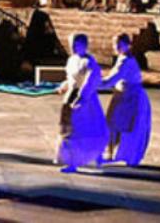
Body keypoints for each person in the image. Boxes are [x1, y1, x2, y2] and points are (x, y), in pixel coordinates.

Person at [56, 33, 109, 173]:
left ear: (84, 45)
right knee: (69, 131)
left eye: (76, 45)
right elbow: (72, 78)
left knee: (82, 130)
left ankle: (89, 157)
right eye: (71, 44)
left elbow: (89, 82)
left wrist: (81, 98)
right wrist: (65, 85)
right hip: (71, 97)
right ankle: (71, 161)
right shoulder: (72, 60)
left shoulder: (89, 62)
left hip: (85, 100)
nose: (73, 47)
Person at [101, 33, 151, 166]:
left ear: (127, 45)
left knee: (121, 126)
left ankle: (120, 154)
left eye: (119, 44)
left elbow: (112, 79)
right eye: (114, 44)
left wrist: (91, 84)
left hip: (129, 97)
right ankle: (113, 153)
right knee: (114, 124)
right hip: (123, 96)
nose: (116, 47)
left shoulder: (125, 61)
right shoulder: (123, 59)